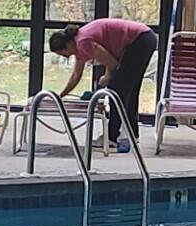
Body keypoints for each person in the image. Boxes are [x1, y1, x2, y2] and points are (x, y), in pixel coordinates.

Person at [48, 16, 156, 149]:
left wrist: (106, 77)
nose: (64, 56)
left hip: (140, 39)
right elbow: (76, 76)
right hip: (145, 37)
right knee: (129, 89)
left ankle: (112, 137)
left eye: (62, 53)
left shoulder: (83, 42)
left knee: (117, 89)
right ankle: (132, 134)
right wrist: (60, 96)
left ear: (68, 44)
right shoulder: (79, 45)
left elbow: (112, 64)